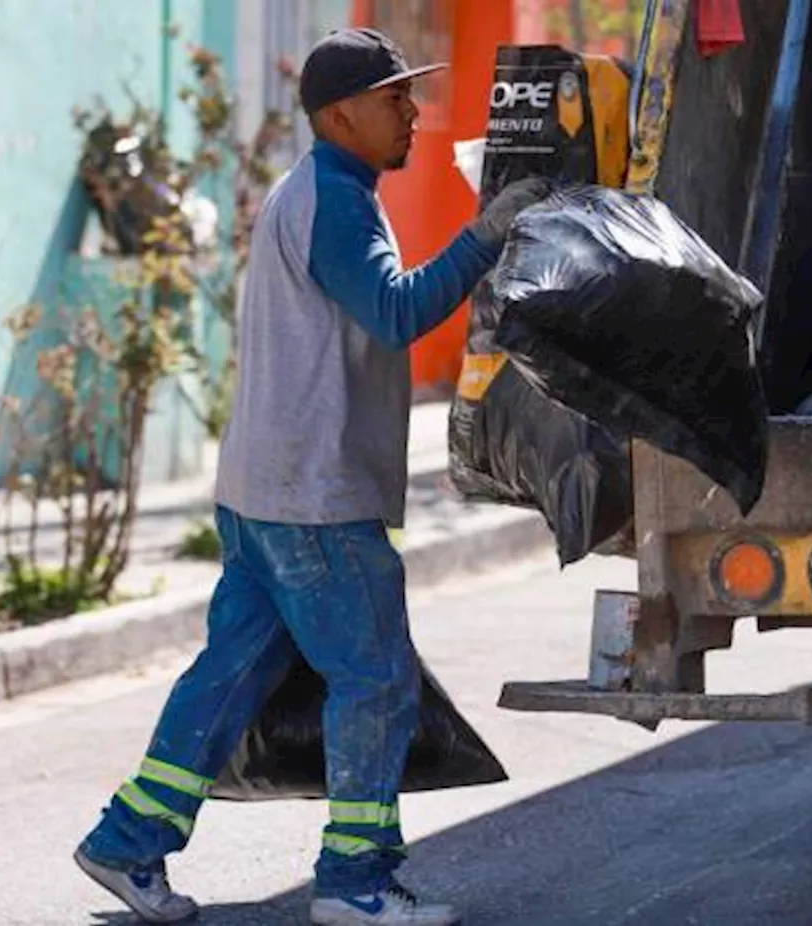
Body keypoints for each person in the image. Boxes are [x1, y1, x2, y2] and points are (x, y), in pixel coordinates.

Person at [73, 26, 552, 926]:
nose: (411, 111)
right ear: (340, 115)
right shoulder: (334, 198)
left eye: (411, 93)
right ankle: (354, 883)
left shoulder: (320, 190)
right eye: (393, 98)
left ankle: (127, 843)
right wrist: (487, 234)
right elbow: (396, 310)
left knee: (232, 674)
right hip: (314, 497)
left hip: (264, 489)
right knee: (375, 678)